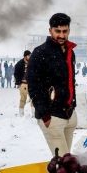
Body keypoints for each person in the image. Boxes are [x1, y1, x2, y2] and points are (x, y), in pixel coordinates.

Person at [28, 13, 78, 157]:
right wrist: (45, 115)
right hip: (52, 116)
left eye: (65, 31)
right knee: (63, 164)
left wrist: (72, 106)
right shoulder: (40, 53)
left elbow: (69, 82)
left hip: (69, 113)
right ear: (50, 31)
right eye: (58, 31)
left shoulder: (70, 52)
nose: (61, 35)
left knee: (67, 161)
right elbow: (34, 87)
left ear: (69, 30)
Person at [14, 50, 32, 116]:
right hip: (23, 84)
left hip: (31, 84)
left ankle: (33, 115)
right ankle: (21, 114)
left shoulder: (32, 62)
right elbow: (16, 74)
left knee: (33, 99)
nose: (30, 56)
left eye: (30, 55)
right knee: (23, 99)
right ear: (25, 56)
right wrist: (19, 83)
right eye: (28, 55)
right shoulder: (19, 64)